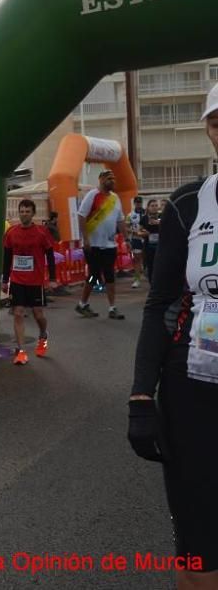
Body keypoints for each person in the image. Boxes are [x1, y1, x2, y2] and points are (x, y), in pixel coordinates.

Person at [129, 83, 218, 588]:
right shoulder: (189, 203)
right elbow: (161, 302)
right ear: (208, 130)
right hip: (194, 387)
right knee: (197, 539)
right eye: (217, 122)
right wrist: (142, 395)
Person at [1, 199, 57, 366]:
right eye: (22, 211)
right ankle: (21, 351)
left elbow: (50, 256)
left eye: (27, 211)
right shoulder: (11, 232)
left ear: (33, 214)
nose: (24, 214)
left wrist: (53, 279)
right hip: (17, 279)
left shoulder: (41, 232)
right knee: (18, 313)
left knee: (38, 314)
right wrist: (5, 280)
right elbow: (7, 257)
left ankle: (43, 334)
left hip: (35, 280)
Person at [76, 169, 127, 319]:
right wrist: (85, 239)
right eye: (108, 178)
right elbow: (81, 216)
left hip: (110, 245)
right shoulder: (93, 195)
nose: (111, 181)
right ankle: (82, 303)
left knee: (110, 275)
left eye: (113, 178)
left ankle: (112, 308)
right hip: (93, 245)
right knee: (94, 275)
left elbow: (121, 220)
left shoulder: (115, 198)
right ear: (100, 180)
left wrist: (127, 239)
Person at [139, 198, 161, 284]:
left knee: (161, 265)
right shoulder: (144, 218)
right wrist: (144, 233)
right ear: (148, 207)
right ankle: (152, 284)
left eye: (156, 206)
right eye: (152, 206)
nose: (154, 207)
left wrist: (159, 223)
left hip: (161, 246)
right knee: (150, 266)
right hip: (148, 246)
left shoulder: (162, 216)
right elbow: (139, 231)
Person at [128, 196, 146, 288]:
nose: (138, 204)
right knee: (137, 259)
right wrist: (133, 232)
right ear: (134, 203)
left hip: (147, 238)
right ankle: (137, 280)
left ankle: (150, 276)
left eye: (140, 202)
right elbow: (127, 227)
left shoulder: (147, 213)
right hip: (136, 239)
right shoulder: (130, 215)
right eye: (137, 203)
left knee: (148, 259)